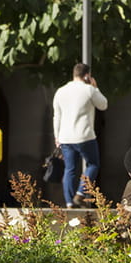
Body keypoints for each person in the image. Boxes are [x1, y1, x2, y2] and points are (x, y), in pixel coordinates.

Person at [52, 62, 108, 205]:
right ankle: (80, 193)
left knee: (69, 169)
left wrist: (57, 136)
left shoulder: (61, 91)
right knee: (93, 164)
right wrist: (96, 87)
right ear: (87, 76)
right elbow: (103, 105)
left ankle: (69, 203)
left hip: (65, 137)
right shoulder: (89, 90)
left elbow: (56, 116)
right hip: (85, 135)